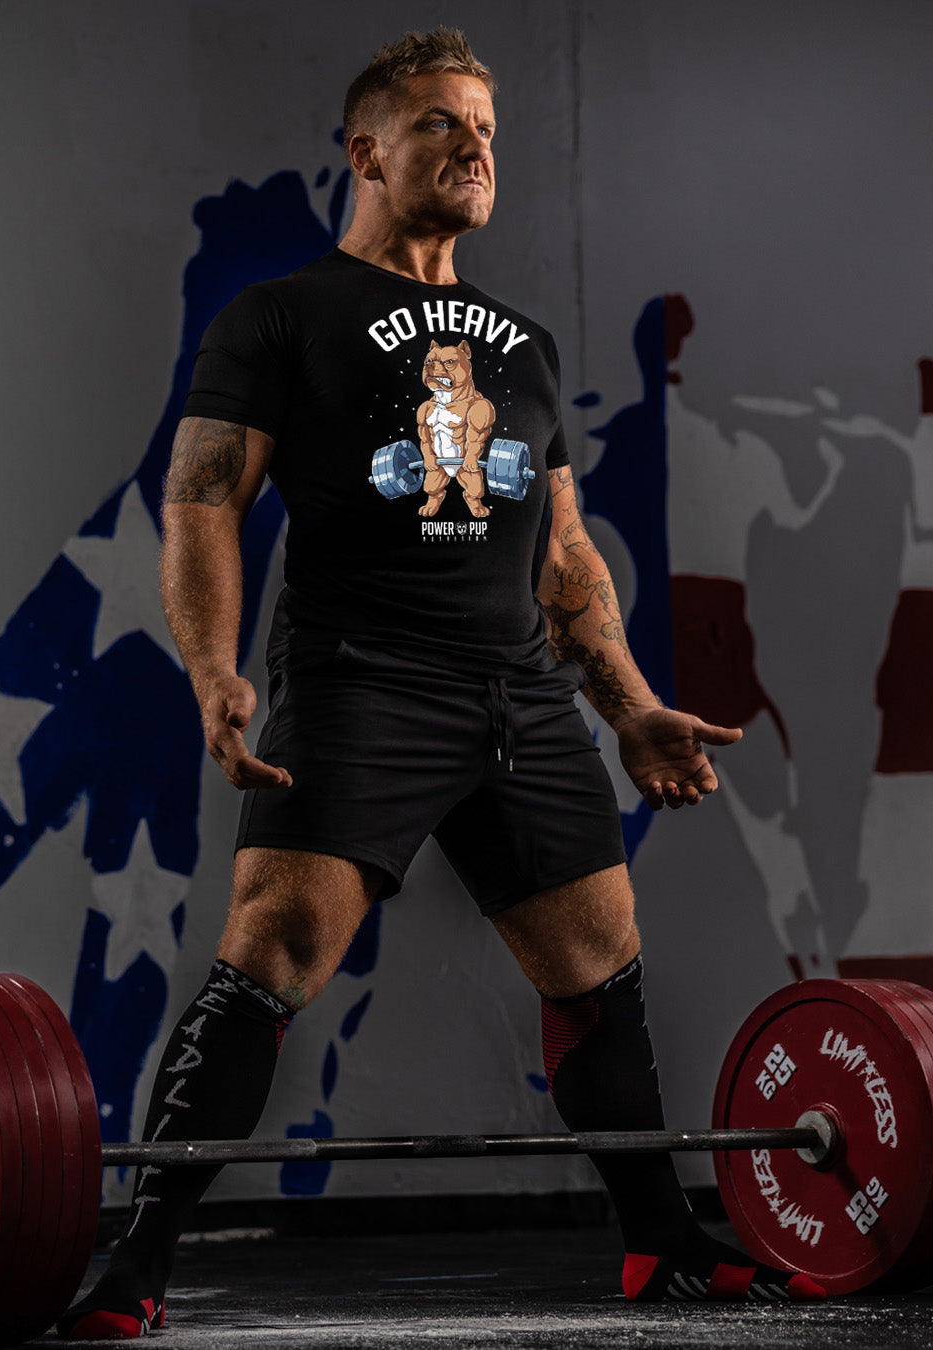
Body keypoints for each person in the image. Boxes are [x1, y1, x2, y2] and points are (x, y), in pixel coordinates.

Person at [58, 28, 824, 1340]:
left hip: (518, 692)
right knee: (277, 950)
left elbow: (565, 554)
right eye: (439, 125)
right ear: (365, 151)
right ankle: (140, 1256)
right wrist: (211, 669)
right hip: (362, 680)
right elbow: (203, 505)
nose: (475, 146)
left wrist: (628, 699)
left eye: (485, 126)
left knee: (599, 954)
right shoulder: (279, 315)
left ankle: (658, 1243)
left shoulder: (519, 344)